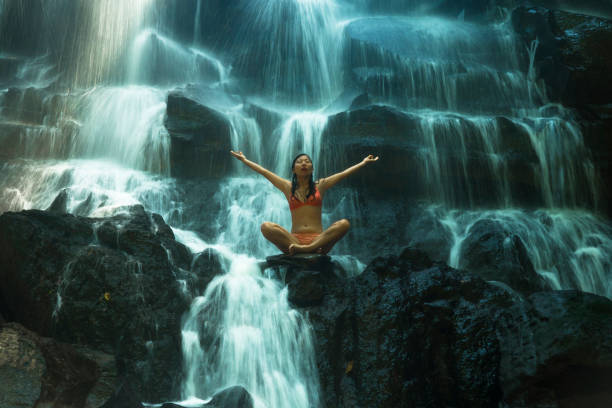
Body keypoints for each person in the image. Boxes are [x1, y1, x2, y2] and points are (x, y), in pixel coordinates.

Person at [229, 150, 379, 255]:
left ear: (312, 168)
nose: (304, 164)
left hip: (320, 240)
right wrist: (245, 160)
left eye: (307, 161)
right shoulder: (287, 187)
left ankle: (309, 249)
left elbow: (344, 173)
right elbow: (265, 172)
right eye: (299, 162)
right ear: (293, 169)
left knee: (344, 224)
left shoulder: (321, 185)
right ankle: (304, 249)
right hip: (293, 241)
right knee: (266, 227)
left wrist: (363, 163)